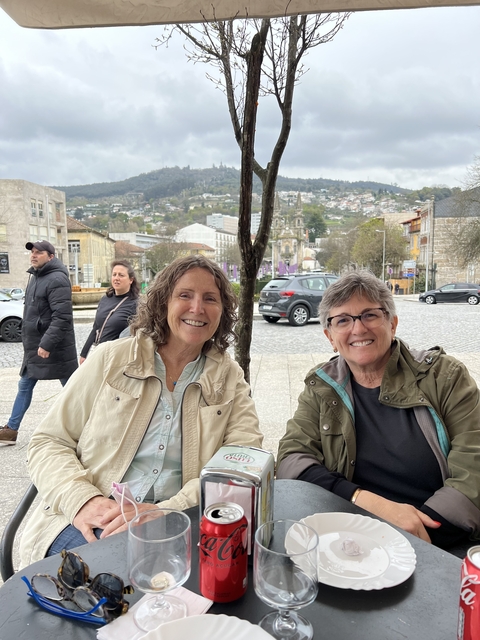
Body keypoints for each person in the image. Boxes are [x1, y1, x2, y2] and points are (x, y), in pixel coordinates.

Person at [20, 255, 263, 566]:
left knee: (217, 588)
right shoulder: (112, 359)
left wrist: (169, 511)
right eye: (185, 295)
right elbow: (48, 441)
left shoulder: (229, 377)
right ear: (162, 303)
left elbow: (243, 464)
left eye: (210, 299)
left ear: (223, 312)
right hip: (95, 515)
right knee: (114, 585)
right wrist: (81, 499)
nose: (197, 308)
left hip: (184, 517)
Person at [277, 270, 480, 553]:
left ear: (393, 323)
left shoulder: (445, 377)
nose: (358, 329)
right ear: (330, 336)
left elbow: (473, 473)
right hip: (349, 537)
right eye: (343, 320)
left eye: (370, 315)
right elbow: (291, 461)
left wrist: (413, 537)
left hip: (438, 540)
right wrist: (366, 502)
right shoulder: (322, 386)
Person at [0, 241, 77, 446]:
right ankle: (11, 429)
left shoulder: (57, 279)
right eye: (32, 252)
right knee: (24, 384)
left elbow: (62, 317)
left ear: (50, 256)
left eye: (39, 253)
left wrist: (47, 344)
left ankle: (87, 426)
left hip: (55, 347)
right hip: (36, 345)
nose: (33, 255)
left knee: (73, 389)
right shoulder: (35, 276)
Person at [79, 260, 139, 363]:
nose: (116, 278)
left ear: (131, 280)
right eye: (114, 274)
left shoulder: (136, 304)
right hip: (98, 353)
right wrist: (84, 354)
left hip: (117, 358)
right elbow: (96, 328)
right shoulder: (105, 299)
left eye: (121, 275)